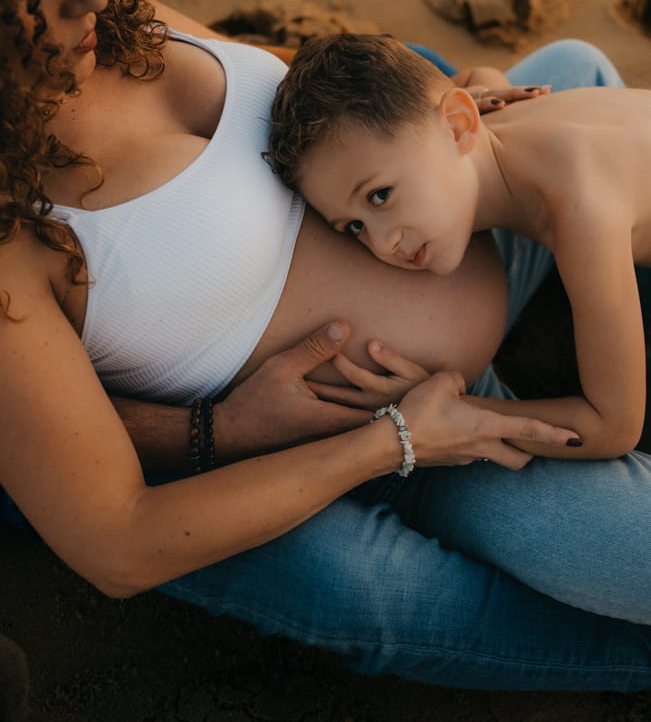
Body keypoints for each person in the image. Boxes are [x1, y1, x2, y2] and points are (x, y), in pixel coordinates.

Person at [0, 0, 651, 694]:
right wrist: (395, 440)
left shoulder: (111, 23)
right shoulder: (0, 228)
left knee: (571, 77)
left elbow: (290, 76)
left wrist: (441, 105)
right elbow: (115, 537)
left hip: (465, 227)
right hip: (420, 430)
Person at [266, 33, 651, 460]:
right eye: (353, 226)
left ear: (458, 123)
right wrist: (478, 84)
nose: (382, 243)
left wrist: (438, 411)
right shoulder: (500, 112)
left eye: (379, 195)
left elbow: (612, 427)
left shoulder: (583, 211)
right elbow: (474, 76)